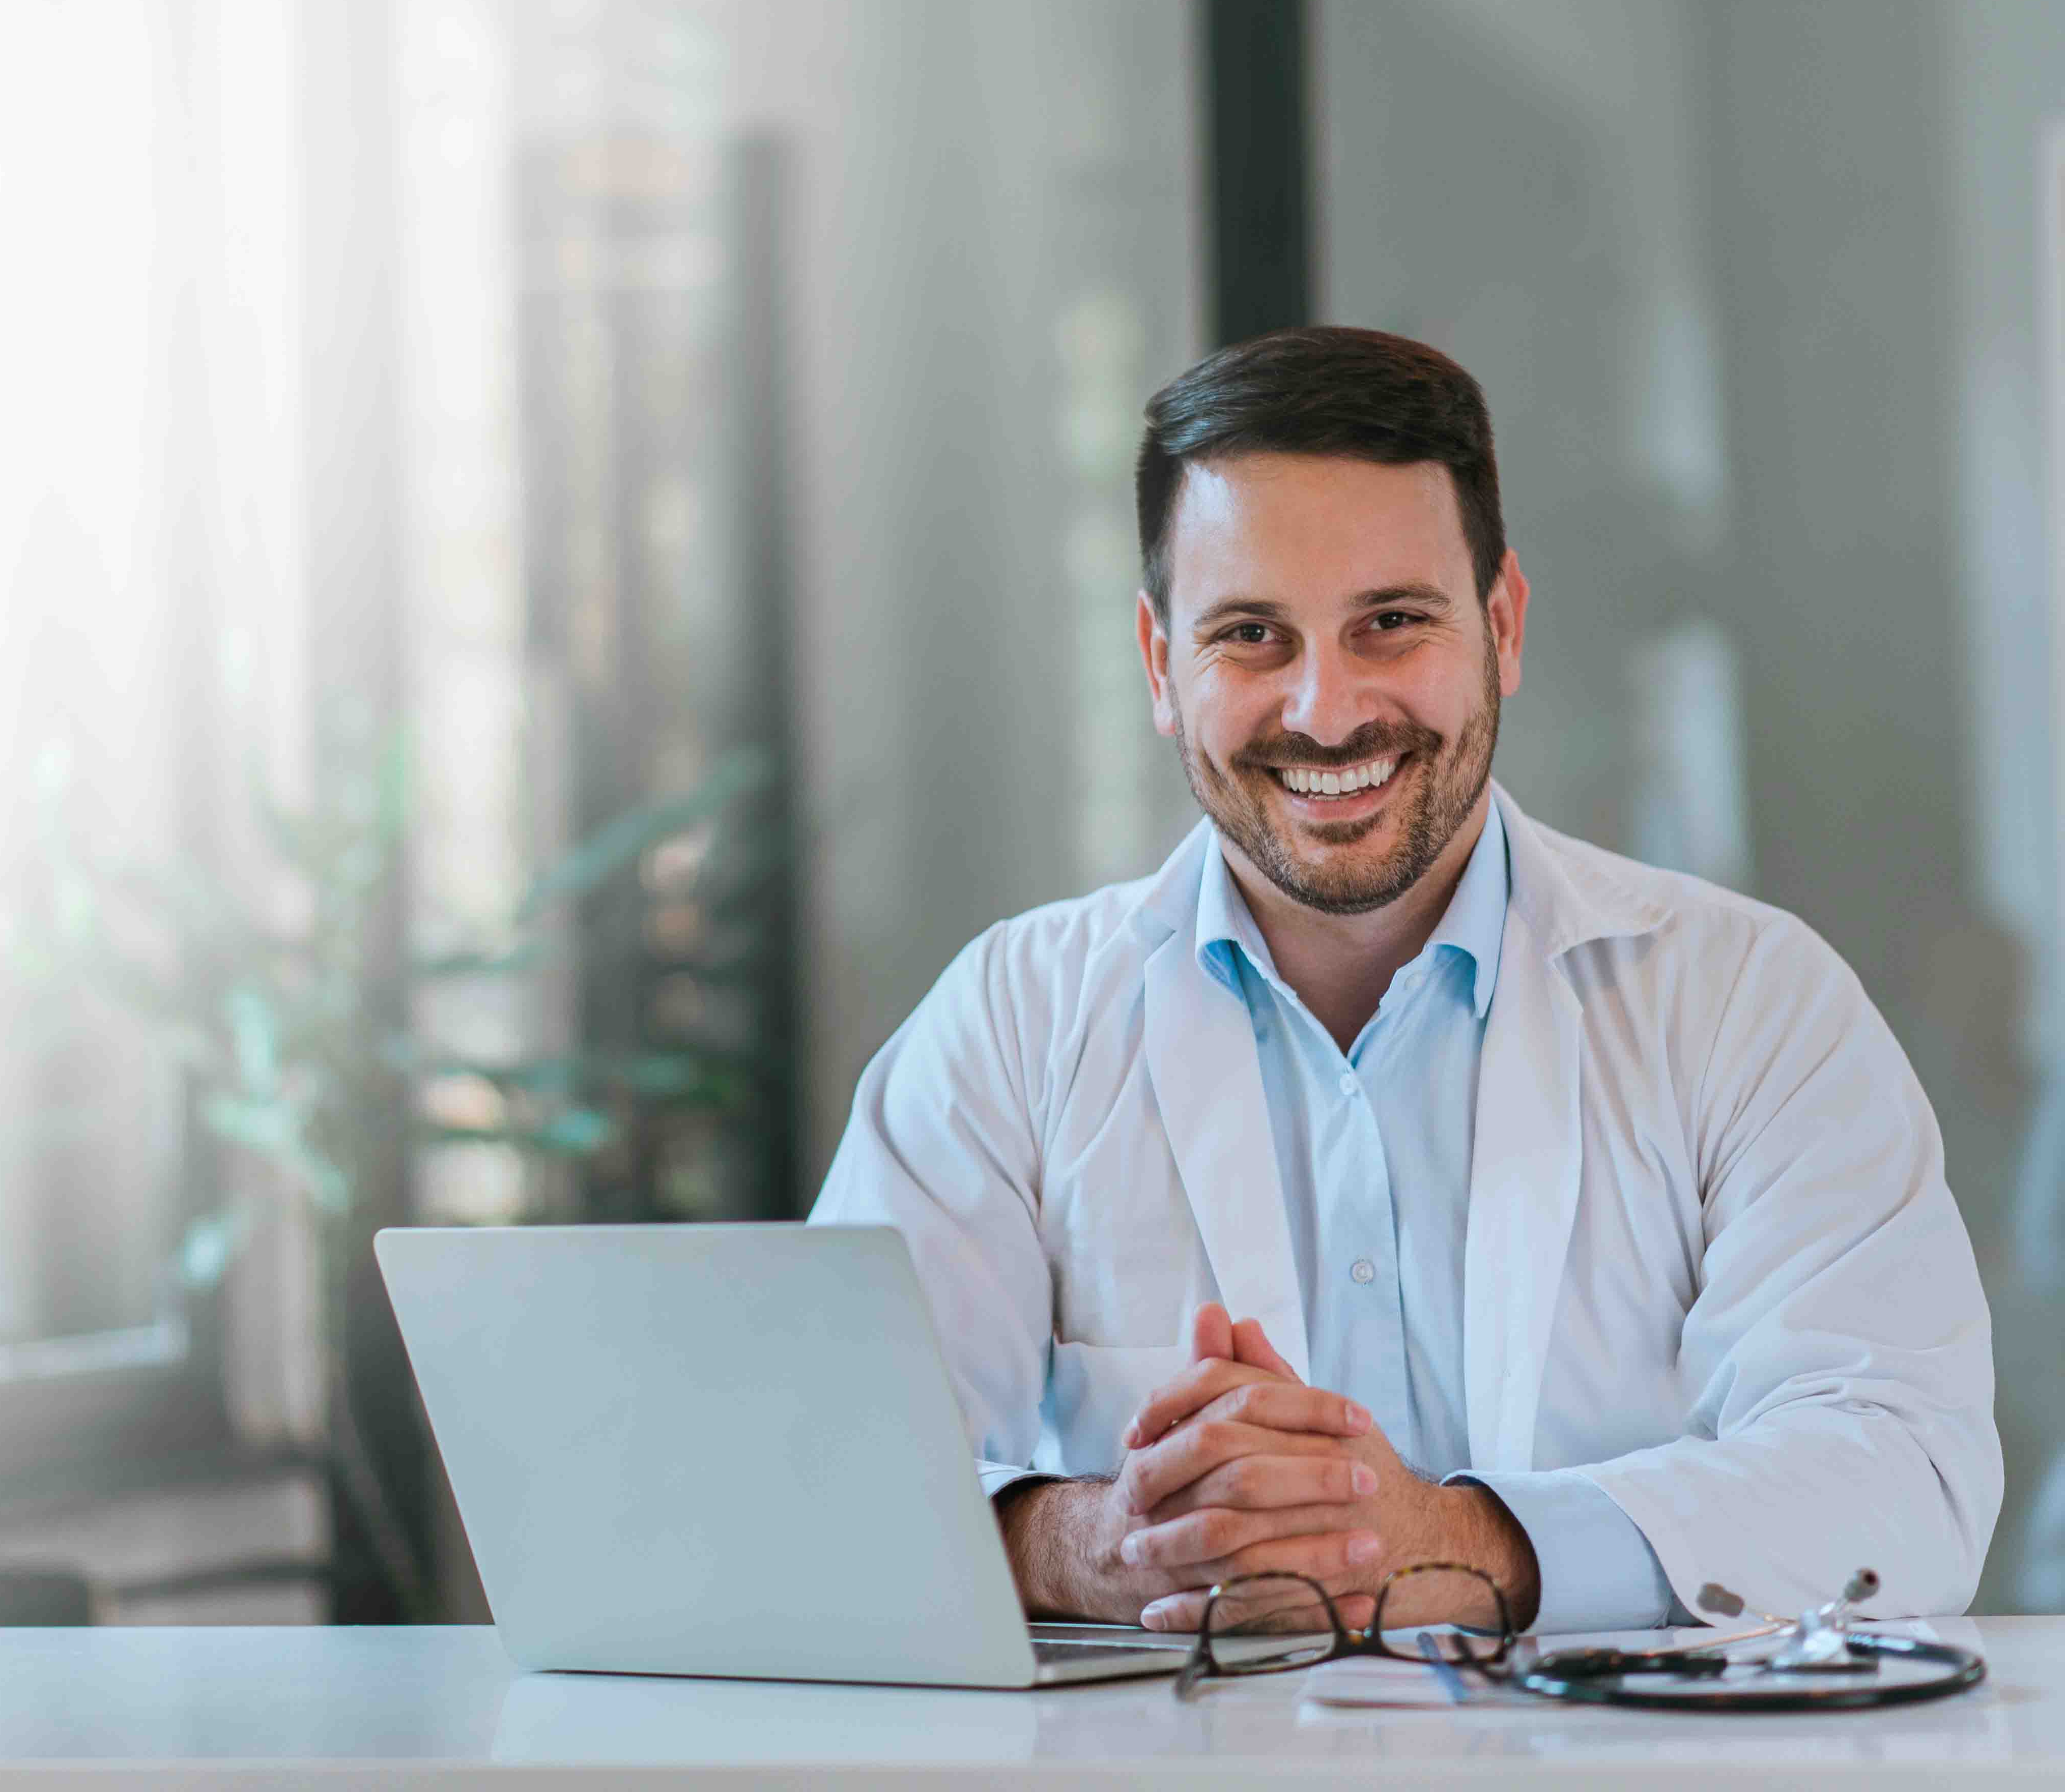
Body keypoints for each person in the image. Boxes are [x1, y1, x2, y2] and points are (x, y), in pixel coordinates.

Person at [809, 326, 2000, 1634]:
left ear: (1502, 625)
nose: (1326, 711)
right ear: (1162, 666)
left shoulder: (1749, 1003)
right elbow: (819, 1472)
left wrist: (1441, 1543)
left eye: (1392, 622)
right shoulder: (1011, 1022)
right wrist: (1109, 1540)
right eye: (1253, 636)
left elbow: (1907, 1481)